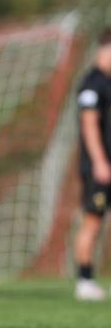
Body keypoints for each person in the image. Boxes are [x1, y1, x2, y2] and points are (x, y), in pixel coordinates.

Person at [71, 29, 111, 301]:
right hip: (99, 167)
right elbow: (89, 124)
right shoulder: (92, 83)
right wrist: (99, 161)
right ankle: (84, 281)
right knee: (93, 222)